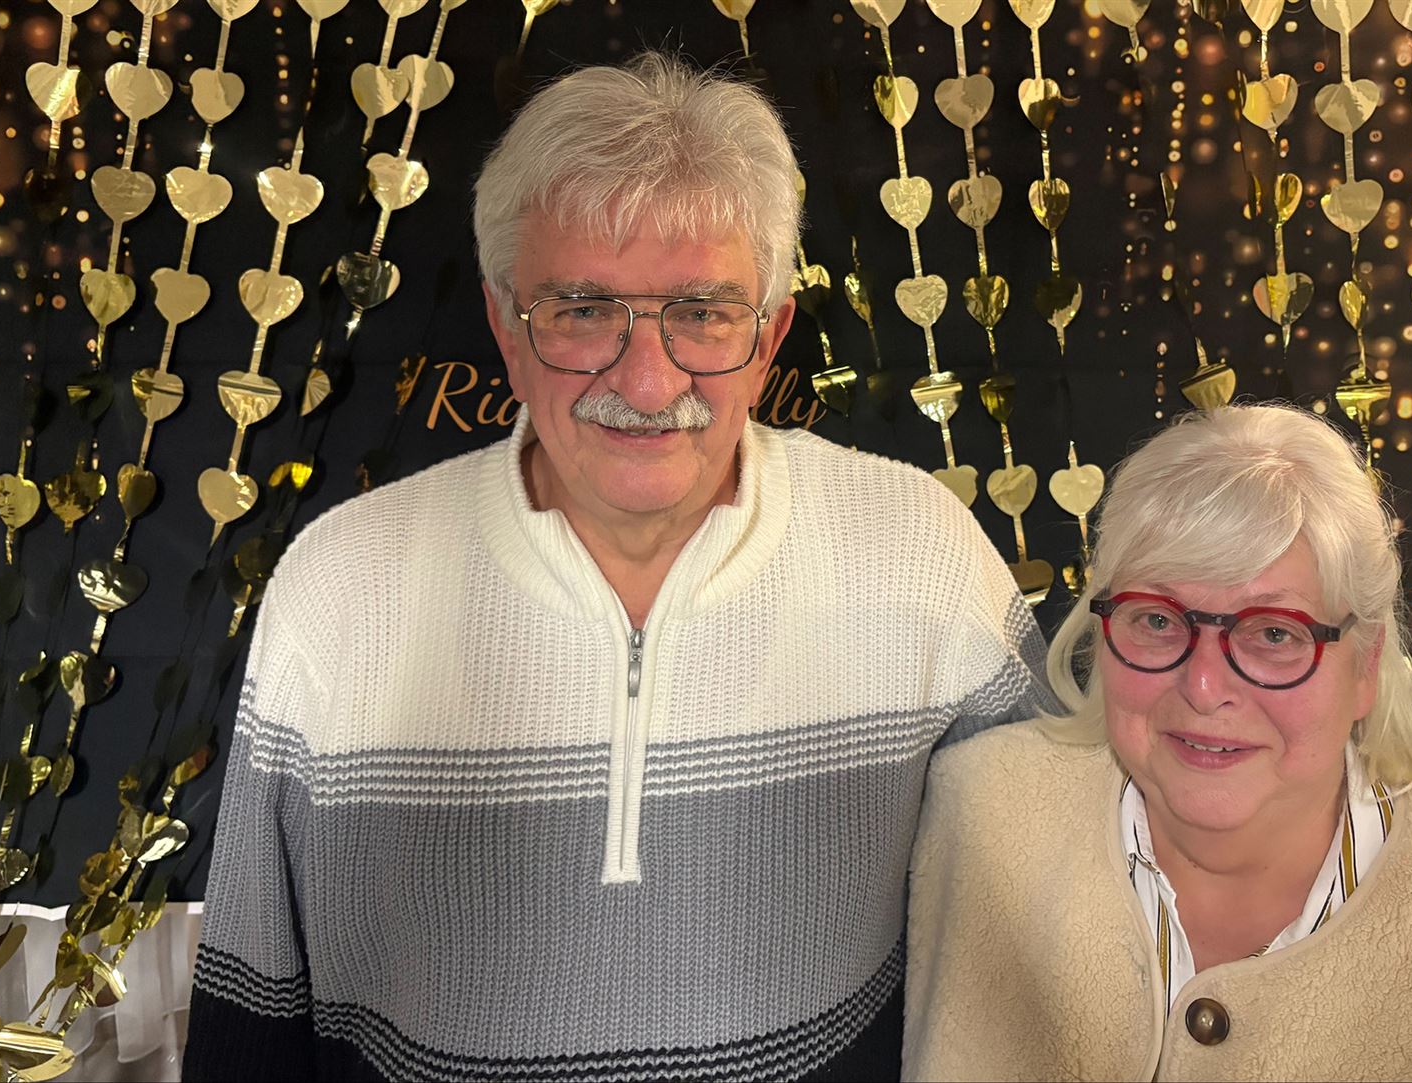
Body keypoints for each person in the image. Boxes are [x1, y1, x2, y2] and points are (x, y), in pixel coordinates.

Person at [182, 52, 1052, 1082]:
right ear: (507, 328)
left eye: (702, 312)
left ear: (769, 336)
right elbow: (250, 1009)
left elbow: (1043, 943)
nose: (645, 382)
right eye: (584, 310)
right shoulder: (337, 586)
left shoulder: (923, 552)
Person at [903, 404, 1412, 1081]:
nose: (1204, 687)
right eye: (1157, 619)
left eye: (1274, 633)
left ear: (1365, 666)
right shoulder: (981, 818)